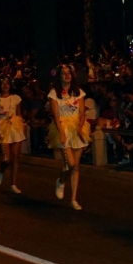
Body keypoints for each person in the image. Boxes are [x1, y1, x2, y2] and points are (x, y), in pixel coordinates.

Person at [47, 64, 88, 210]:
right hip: (63, 127)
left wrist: (80, 128)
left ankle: (73, 198)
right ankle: (61, 180)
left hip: (76, 129)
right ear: (59, 76)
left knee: (76, 166)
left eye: (69, 73)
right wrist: (62, 133)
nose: (67, 75)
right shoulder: (54, 93)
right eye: (63, 73)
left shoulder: (79, 92)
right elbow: (56, 116)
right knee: (69, 163)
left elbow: (82, 113)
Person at [0, 76, 25, 194]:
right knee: (6, 158)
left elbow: (19, 114)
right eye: (3, 83)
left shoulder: (16, 98)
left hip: (15, 126)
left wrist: (21, 124)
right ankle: (1, 170)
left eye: (7, 83)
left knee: (15, 156)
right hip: (3, 126)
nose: (5, 85)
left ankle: (13, 184)